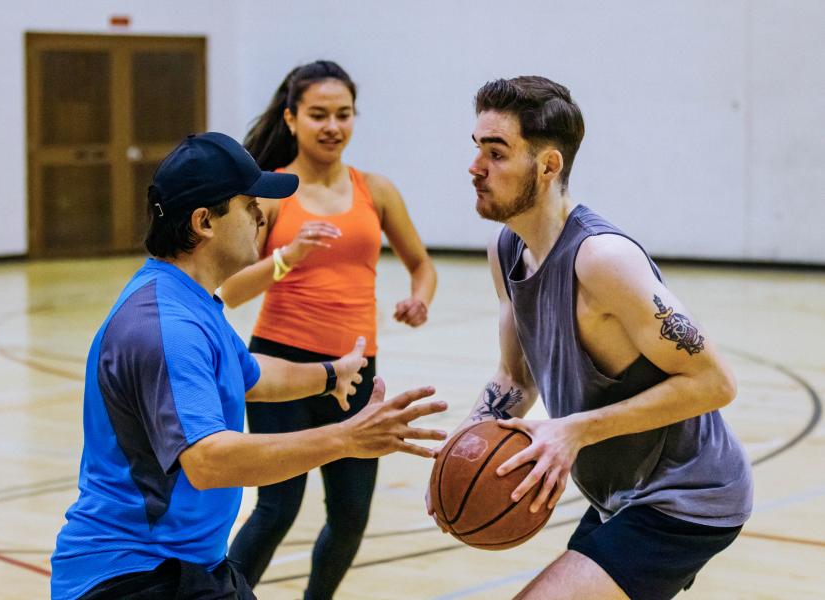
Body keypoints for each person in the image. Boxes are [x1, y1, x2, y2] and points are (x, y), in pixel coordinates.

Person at [50, 132, 447, 600]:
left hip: (186, 565)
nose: (262, 215)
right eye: (248, 204)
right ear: (204, 222)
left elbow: (252, 377)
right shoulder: (166, 325)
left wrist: (330, 375)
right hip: (132, 575)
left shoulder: (191, 302)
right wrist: (347, 438)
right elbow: (209, 461)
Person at [428, 76, 753, 600]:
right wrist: (463, 448)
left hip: (688, 497)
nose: (475, 168)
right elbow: (515, 377)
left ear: (549, 165)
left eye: (496, 153)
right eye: (476, 150)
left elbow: (715, 382)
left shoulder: (603, 260)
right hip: (619, 495)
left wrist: (574, 430)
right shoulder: (506, 249)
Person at [221, 60, 437, 599]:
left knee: (350, 517)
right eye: (318, 114)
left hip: (357, 371)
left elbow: (421, 264)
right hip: (279, 368)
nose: (332, 126)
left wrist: (419, 298)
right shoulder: (269, 195)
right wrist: (285, 259)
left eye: (343, 114)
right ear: (292, 119)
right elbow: (226, 291)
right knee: (276, 509)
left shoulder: (376, 190)